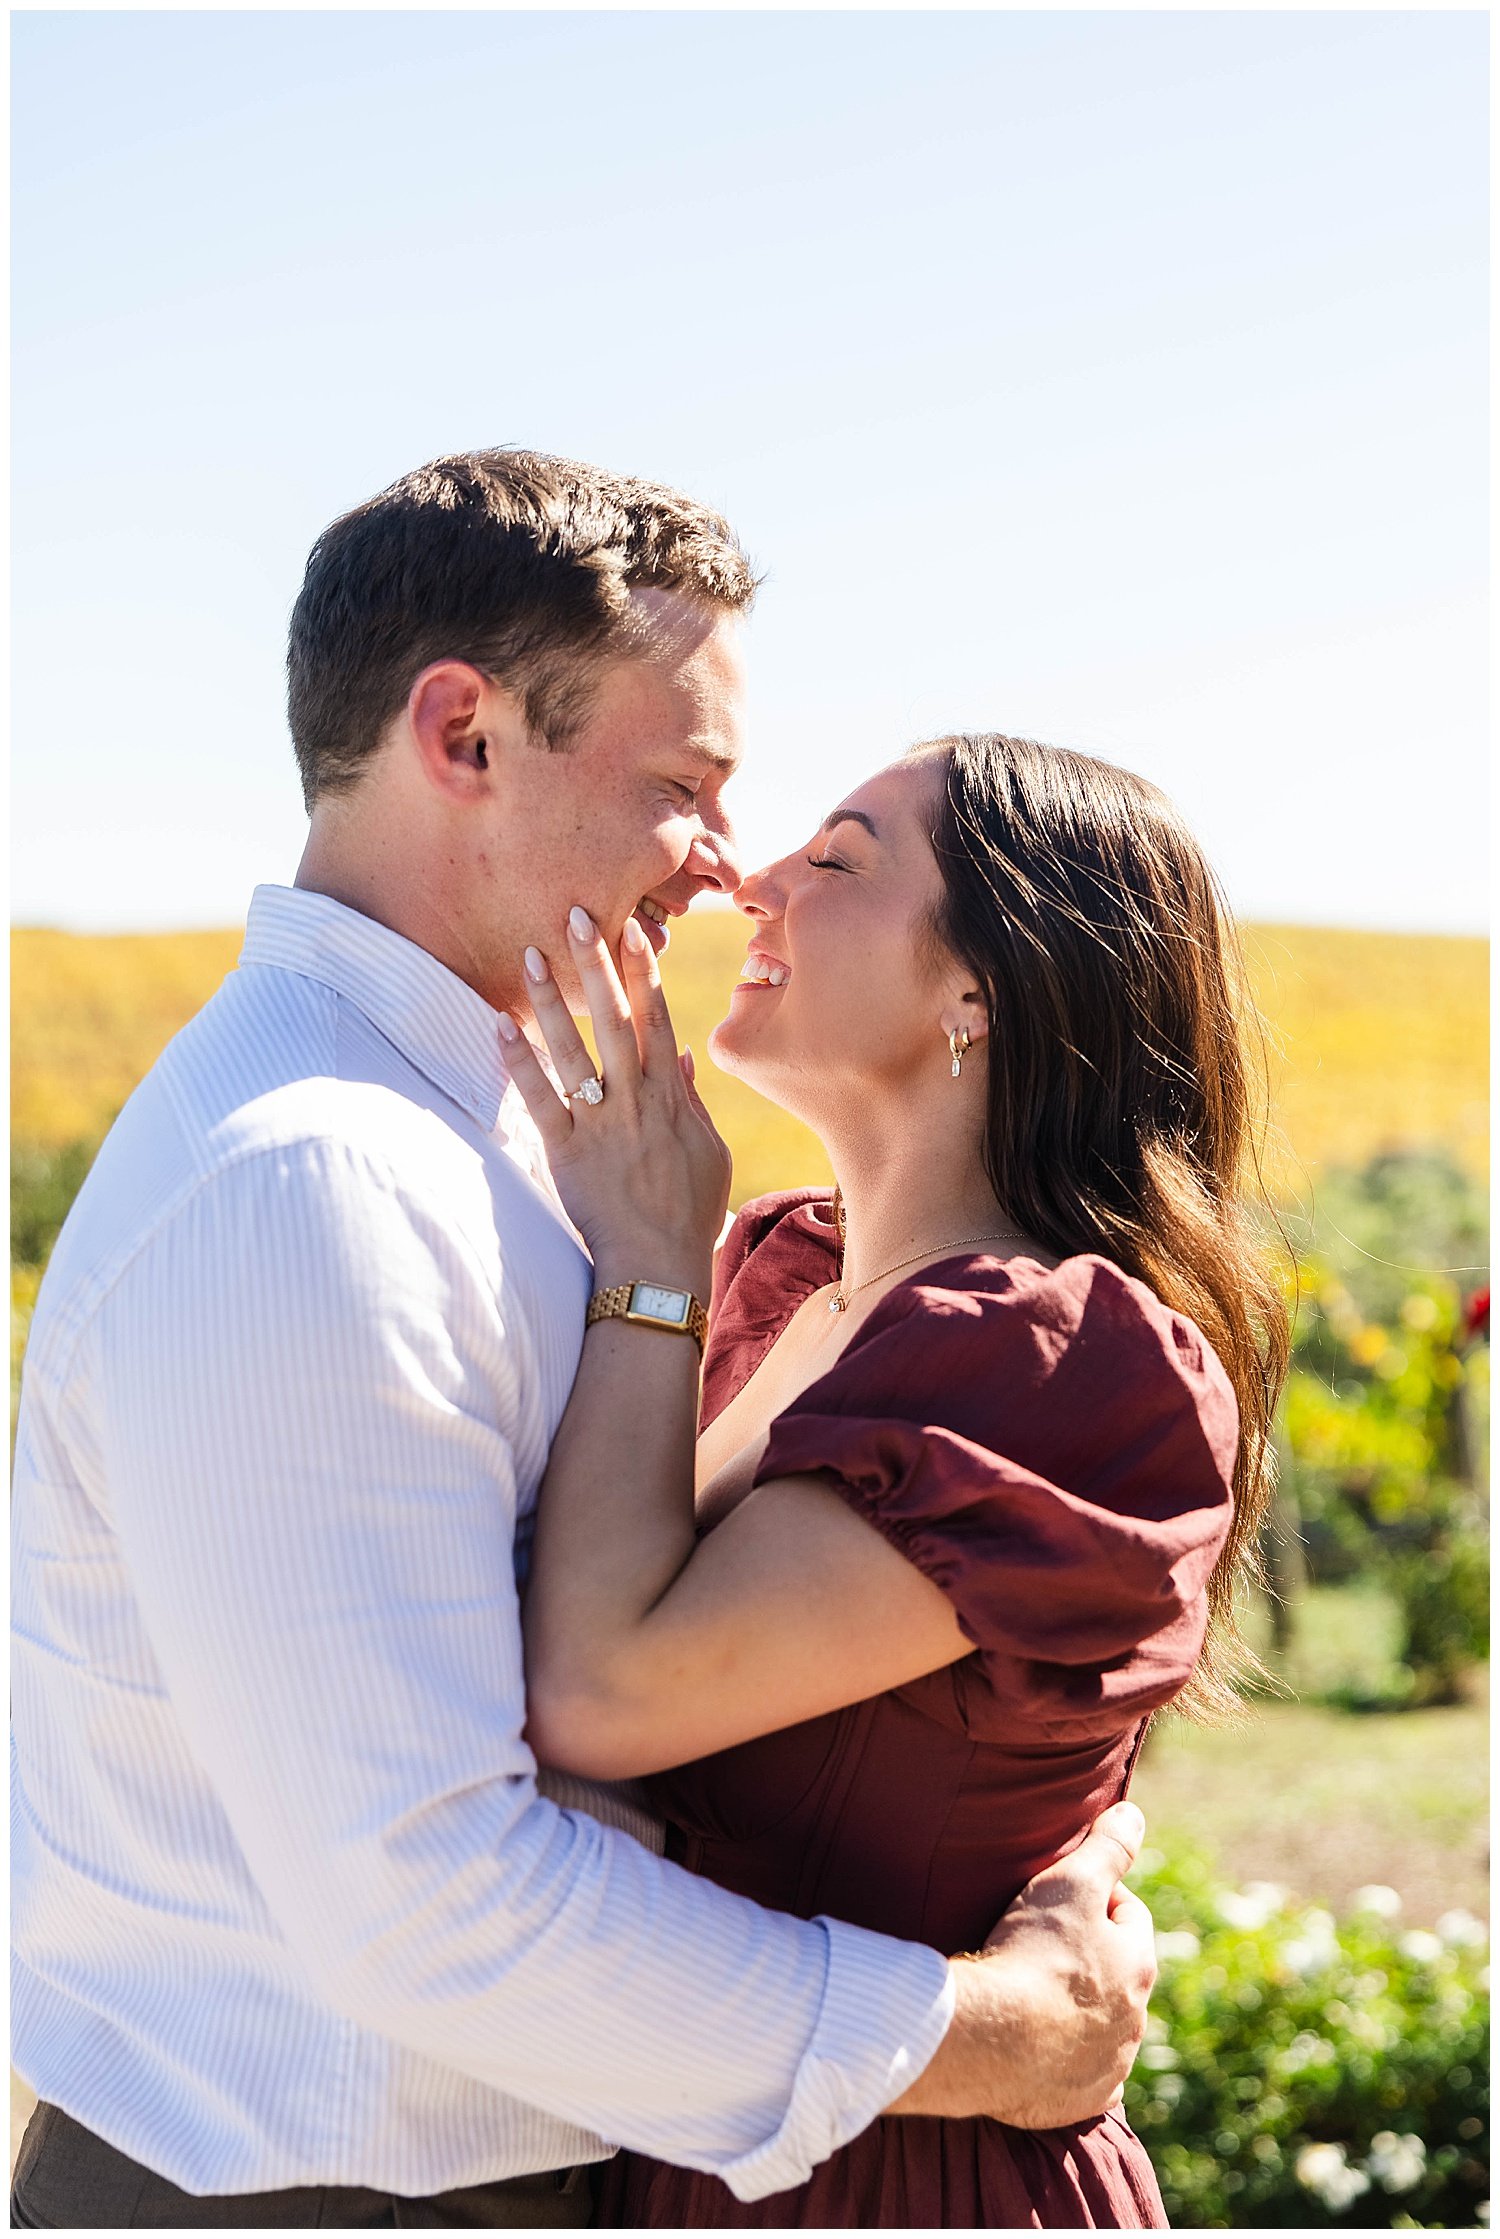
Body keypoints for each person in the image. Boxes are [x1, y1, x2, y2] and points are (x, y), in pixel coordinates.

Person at [11, 452, 1157, 2230]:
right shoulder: (311, 1181)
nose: (724, 867)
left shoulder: (484, 1139)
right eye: (682, 788)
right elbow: (431, 1900)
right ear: (463, 734)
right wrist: (993, 2039)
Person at [507, 730, 1292, 2227]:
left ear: (977, 995)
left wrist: (647, 1256)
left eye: (837, 860)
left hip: (901, 2177)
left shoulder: (1060, 1362)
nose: (753, 880)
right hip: (693, 2148)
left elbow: (603, 1693)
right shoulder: (775, 1273)